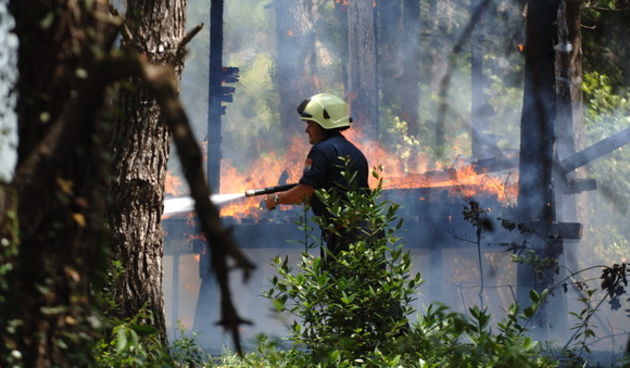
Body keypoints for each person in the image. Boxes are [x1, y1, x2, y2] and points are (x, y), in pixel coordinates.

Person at [264, 93, 369, 254]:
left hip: (344, 238)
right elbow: (331, 192)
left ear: (324, 125)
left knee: (337, 279)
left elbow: (305, 192)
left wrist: (277, 198)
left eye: (311, 125)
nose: (306, 130)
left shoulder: (321, 150)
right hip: (368, 234)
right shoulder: (355, 152)